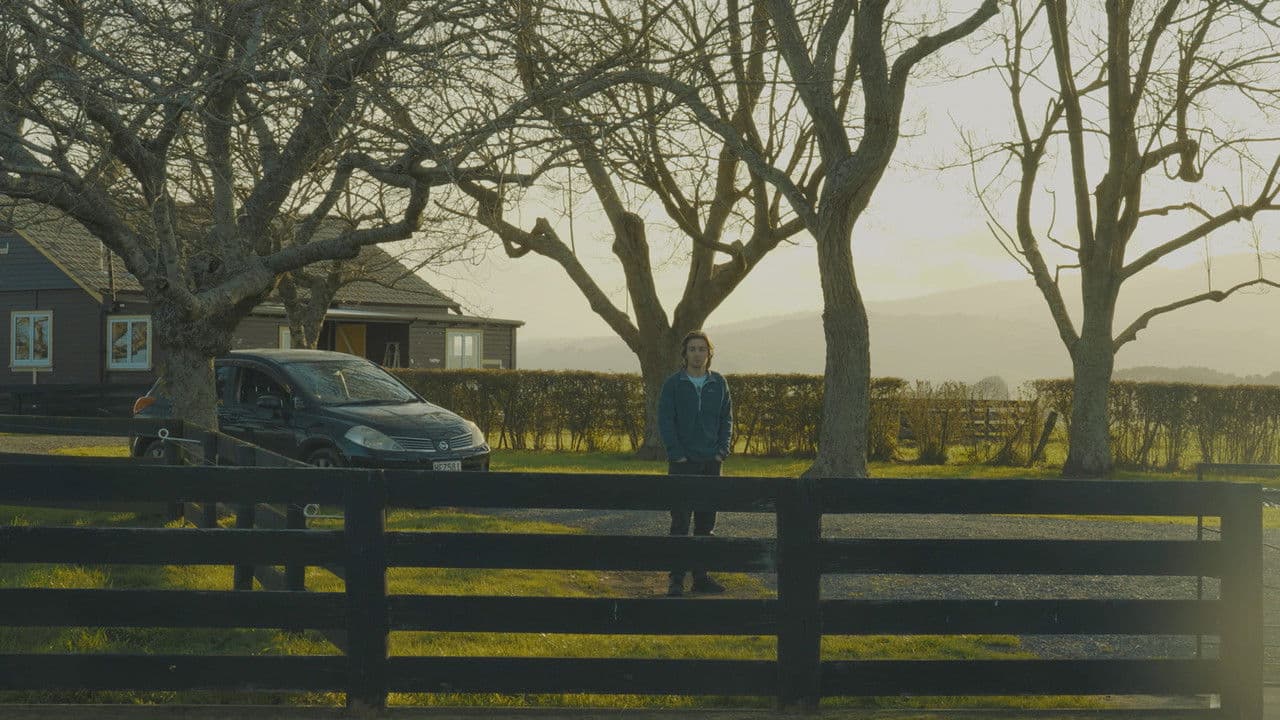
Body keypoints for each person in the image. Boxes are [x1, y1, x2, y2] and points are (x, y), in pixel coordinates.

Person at [658, 329, 733, 597]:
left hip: (711, 462)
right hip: (682, 463)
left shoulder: (719, 383)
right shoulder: (673, 384)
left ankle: (701, 578)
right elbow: (665, 420)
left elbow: (726, 419)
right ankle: (676, 580)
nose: (697, 354)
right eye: (692, 349)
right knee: (679, 524)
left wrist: (721, 451)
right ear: (685, 354)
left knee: (705, 524)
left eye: (702, 349)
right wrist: (676, 453)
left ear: (709, 353)